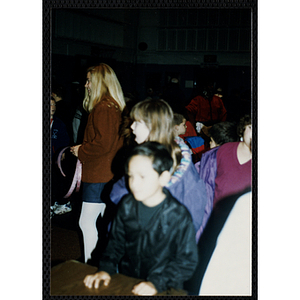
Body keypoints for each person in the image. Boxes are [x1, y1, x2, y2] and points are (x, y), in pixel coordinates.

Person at [83, 142, 198, 295]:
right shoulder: (127, 205)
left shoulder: (178, 215)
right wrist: (106, 269)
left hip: (166, 286)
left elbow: (187, 261)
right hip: (130, 280)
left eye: (142, 176)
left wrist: (156, 283)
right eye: (130, 176)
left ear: (163, 177)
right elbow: (115, 243)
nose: (134, 184)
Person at [110, 99, 208, 242]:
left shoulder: (152, 160)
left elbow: (119, 193)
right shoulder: (176, 153)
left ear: (152, 126)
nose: (132, 127)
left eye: (137, 122)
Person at [70, 63, 126, 264]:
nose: (86, 85)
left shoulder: (103, 107)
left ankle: (90, 264)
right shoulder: (112, 106)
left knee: (86, 222)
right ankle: (104, 264)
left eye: (89, 81)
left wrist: (81, 151)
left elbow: (102, 143)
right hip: (108, 174)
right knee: (104, 224)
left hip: (99, 175)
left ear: (100, 82)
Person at [213, 115, 252, 206]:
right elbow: (208, 180)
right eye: (251, 127)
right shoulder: (225, 149)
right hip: (217, 214)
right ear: (243, 129)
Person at [50, 98, 72, 216]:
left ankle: (57, 203)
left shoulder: (59, 123)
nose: (53, 107)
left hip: (54, 158)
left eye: (54, 104)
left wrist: (62, 152)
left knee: (56, 181)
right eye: (50, 104)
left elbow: (64, 139)